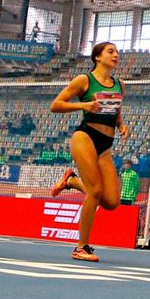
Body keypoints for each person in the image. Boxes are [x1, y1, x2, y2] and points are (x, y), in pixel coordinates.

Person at [48, 42, 130, 261]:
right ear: (97, 57)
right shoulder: (84, 81)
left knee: (111, 202)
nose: (115, 55)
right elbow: (56, 105)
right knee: (94, 192)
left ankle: (72, 182)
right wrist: (82, 106)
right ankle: (81, 247)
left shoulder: (119, 84)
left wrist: (121, 125)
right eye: (110, 52)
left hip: (106, 144)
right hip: (85, 136)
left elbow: (116, 109)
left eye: (116, 52)